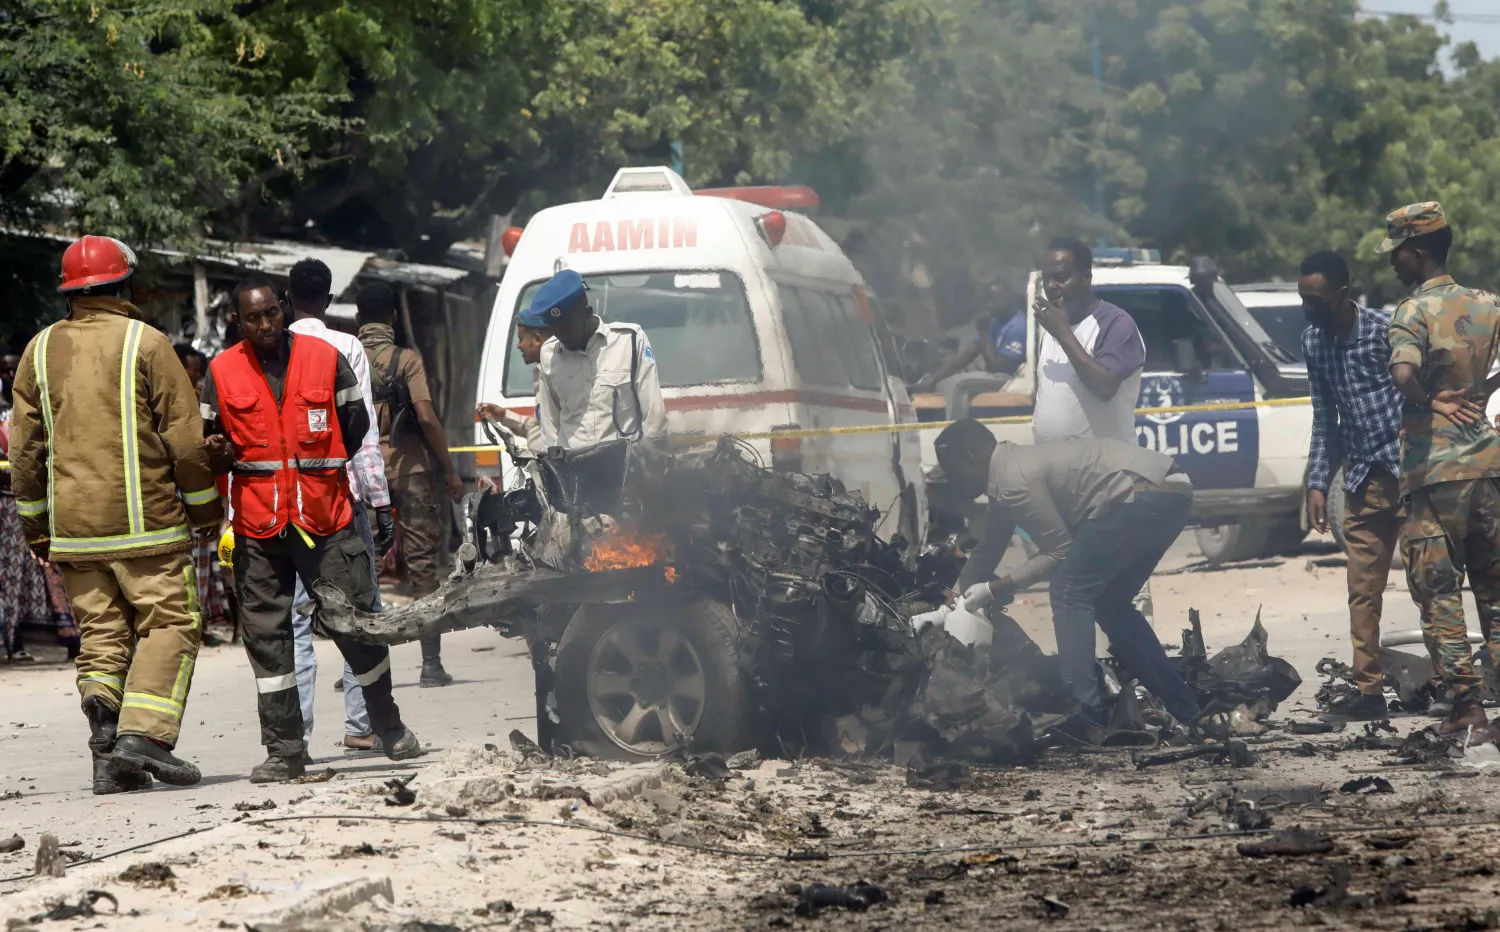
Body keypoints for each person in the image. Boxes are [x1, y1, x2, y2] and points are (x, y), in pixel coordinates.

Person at [8, 235, 222, 794]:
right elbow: (185, 441)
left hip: (75, 533)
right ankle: (144, 737)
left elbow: (25, 454)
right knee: (171, 624)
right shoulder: (148, 344)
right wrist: (205, 509)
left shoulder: (39, 349)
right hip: (148, 526)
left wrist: (37, 527)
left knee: (103, 636)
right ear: (123, 285)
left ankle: (108, 757)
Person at [201, 276, 420, 781]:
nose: (265, 325)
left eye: (271, 313)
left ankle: (388, 727)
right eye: (252, 318)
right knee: (268, 641)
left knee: (357, 626)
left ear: (283, 308)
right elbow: (211, 439)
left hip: (327, 519)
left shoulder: (324, 358)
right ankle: (285, 751)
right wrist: (220, 453)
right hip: (259, 526)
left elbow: (355, 425)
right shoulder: (222, 370)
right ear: (239, 321)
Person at [936, 418, 1199, 727]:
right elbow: (989, 547)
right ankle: (1188, 710)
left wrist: (993, 589)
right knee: (1110, 605)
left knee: (1068, 590)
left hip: (1142, 493)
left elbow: (1059, 552)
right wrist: (954, 594)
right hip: (1172, 488)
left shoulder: (1011, 479)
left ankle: (1085, 714)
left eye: (952, 472)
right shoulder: (1008, 471)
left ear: (971, 459)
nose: (953, 483)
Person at [1379, 201, 1500, 740]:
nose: (1393, 263)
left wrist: (1432, 399)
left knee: (1439, 591)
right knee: (1494, 591)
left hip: (1434, 476)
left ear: (1418, 250)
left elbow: (1403, 371)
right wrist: (1482, 391)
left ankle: (1467, 707)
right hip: (1490, 469)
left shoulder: (1412, 310)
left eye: (1397, 252)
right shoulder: (1488, 304)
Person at [285, 258, 395, 754]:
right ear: (329, 301)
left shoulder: (266, 349)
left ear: (287, 298)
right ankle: (361, 724)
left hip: (281, 505)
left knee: (295, 626)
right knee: (358, 612)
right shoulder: (346, 346)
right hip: (340, 502)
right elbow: (365, 435)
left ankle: (296, 734)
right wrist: (381, 502)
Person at [1298, 251, 1405, 724]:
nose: (1309, 309)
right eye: (1303, 299)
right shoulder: (1313, 342)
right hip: (1361, 477)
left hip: (1409, 472)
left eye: (1316, 301)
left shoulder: (1386, 329)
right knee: (1363, 590)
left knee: (1430, 585)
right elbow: (1325, 420)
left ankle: (1451, 685)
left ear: (1342, 295)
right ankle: (1368, 692)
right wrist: (1317, 482)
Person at [355, 282, 464, 687]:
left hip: (362, 476)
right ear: (394, 319)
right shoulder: (407, 360)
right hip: (410, 471)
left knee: (361, 568)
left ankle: (358, 668)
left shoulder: (344, 359)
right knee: (422, 567)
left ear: (358, 320)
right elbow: (427, 417)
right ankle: (431, 664)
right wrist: (450, 470)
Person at [1, 347, 82, 664]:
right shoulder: (6, 408)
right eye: (4, 369)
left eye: (14, 369)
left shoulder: (41, 405)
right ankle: (16, 640)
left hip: (52, 499)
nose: (9, 375)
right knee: (14, 579)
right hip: (12, 507)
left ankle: (75, 641)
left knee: (58, 573)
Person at [533, 269, 667, 448]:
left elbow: (654, 416)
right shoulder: (549, 353)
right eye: (554, 329)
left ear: (587, 313)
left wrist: (647, 460)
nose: (561, 335)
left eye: (567, 327)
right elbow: (550, 428)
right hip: (574, 471)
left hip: (625, 468)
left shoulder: (630, 340)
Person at [913, 285, 1027, 393]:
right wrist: (935, 379)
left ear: (1010, 299)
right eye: (987, 301)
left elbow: (996, 367)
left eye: (994, 300)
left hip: (1010, 379)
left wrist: (983, 332)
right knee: (942, 383)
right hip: (993, 375)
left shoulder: (1018, 326)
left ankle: (953, 415)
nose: (989, 306)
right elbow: (967, 354)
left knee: (958, 385)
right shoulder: (995, 321)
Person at [477, 322, 548, 454]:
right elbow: (539, 429)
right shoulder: (541, 374)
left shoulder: (556, 379)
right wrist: (504, 416)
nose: (518, 345)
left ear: (537, 339)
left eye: (521, 339)